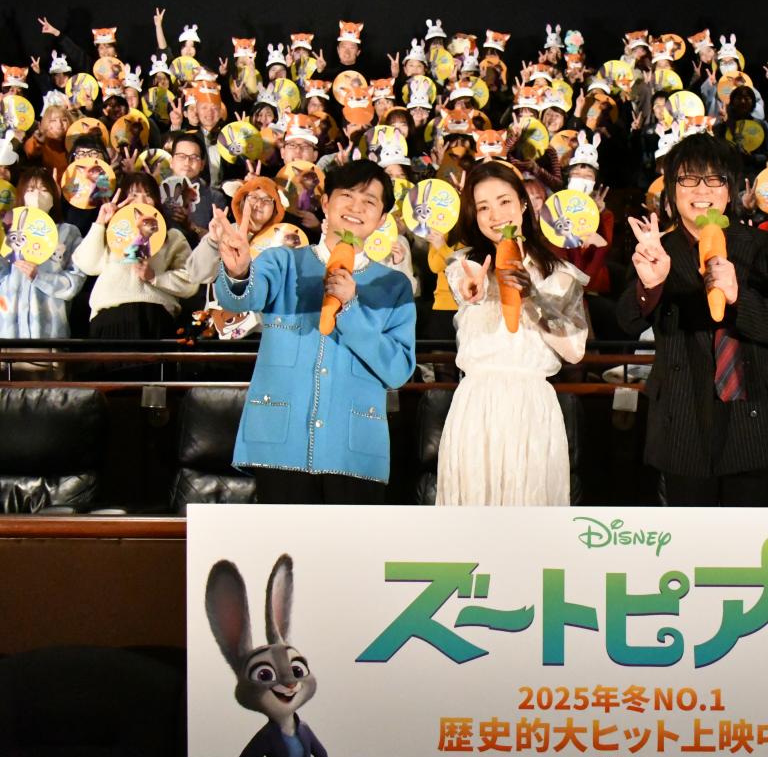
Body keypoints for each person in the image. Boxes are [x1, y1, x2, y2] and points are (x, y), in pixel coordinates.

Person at [617, 133, 768, 506]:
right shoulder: (657, 250)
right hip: (681, 421)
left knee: (751, 539)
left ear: (730, 188)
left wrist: (739, 298)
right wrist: (649, 286)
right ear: (672, 190)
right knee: (688, 540)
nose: (701, 189)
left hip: (753, 420)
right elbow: (626, 322)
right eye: (688, 178)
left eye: (714, 178)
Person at [211, 159, 416, 504]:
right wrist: (238, 271)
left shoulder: (393, 285)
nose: (356, 207)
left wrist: (351, 309)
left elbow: (397, 370)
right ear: (325, 202)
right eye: (347, 195)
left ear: (382, 219)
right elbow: (242, 297)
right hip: (279, 445)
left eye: (369, 201)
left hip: (353, 452)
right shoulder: (282, 262)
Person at [437, 160, 589, 505]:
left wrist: (533, 297)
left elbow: (574, 351)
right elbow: (467, 287)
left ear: (522, 204)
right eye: (483, 207)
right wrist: (473, 289)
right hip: (477, 405)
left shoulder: (559, 274)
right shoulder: (466, 265)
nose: (495, 215)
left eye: (504, 201)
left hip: (532, 406)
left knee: (529, 507)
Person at [72, 173, 196, 338]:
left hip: (155, 315)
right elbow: (86, 264)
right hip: (110, 315)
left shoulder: (172, 236)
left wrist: (155, 277)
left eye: (148, 195)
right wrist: (100, 222)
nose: (142, 201)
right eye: (134, 195)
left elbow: (190, 282)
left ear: (157, 200)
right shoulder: (109, 233)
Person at [0, 168, 86, 339]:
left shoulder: (68, 232)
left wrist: (40, 277)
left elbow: (75, 281)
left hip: (49, 332)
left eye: (44, 190)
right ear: (22, 195)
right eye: (31, 190)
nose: (37, 196)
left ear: (54, 196)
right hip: (9, 331)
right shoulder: (9, 232)